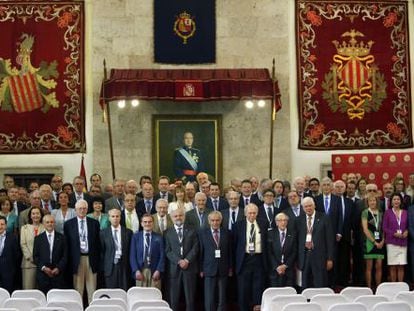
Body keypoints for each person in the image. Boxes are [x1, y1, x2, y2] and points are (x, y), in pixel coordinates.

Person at [64, 199, 100, 303]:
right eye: (80, 208)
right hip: (76, 259)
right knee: (78, 290)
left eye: (84, 208)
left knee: (92, 290)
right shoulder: (68, 224)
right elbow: (67, 245)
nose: (82, 210)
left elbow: (98, 243)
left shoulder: (94, 223)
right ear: (75, 210)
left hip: (91, 259)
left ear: (87, 209)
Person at [233, 204, 267, 311]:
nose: (252, 215)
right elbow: (234, 245)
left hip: (259, 259)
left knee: (258, 288)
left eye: (254, 213)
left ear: (257, 213)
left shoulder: (263, 224)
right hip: (244, 260)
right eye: (250, 213)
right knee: (243, 289)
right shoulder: (238, 225)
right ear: (245, 213)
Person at [164, 207, 199, 311]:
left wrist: (187, 260)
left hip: (190, 268)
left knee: (190, 298)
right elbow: (167, 251)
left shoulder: (193, 230)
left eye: (180, 215)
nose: (178, 217)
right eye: (175, 216)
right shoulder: (167, 232)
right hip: (174, 269)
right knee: (173, 298)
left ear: (184, 216)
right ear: (171, 218)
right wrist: (179, 261)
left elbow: (196, 247)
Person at [297, 197, 334, 289]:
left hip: (320, 256)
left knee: (319, 282)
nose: (308, 208)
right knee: (305, 283)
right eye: (306, 206)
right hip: (304, 255)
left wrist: (330, 258)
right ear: (303, 208)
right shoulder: (298, 220)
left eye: (310, 206)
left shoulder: (324, 217)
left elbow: (329, 239)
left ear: (314, 206)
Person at [198, 211, 232, 311]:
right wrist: (201, 269)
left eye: (217, 220)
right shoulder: (202, 234)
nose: (215, 222)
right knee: (209, 297)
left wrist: (230, 267)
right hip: (208, 269)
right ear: (209, 221)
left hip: (223, 268)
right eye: (213, 220)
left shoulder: (227, 233)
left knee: (222, 297)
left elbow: (230, 251)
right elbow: (201, 252)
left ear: (221, 221)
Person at [33, 214, 68, 294]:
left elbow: (65, 256)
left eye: (52, 222)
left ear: (54, 223)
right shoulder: (38, 239)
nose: (50, 224)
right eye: (47, 222)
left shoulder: (62, 238)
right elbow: (35, 257)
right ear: (44, 224)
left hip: (58, 275)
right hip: (43, 275)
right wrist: (44, 268)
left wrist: (58, 268)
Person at [100, 208, 133, 290]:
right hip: (110, 267)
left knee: (124, 291)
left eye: (117, 216)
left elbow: (130, 251)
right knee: (111, 292)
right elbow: (102, 252)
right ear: (109, 218)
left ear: (120, 218)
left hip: (124, 266)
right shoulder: (103, 233)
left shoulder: (128, 232)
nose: (115, 218)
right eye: (113, 216)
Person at [130, 214, 165, 289]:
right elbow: (132, 255)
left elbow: (162, 255)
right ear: (141, 223)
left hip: (154, 272)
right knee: (140, 296)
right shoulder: (136, 237)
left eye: (150, 222)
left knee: (154, 297)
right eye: (145, 222)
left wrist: (158, 270)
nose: (147, 224)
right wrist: (136, 270)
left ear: (153, 223)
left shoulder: (159, 237)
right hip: (140, 271)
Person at [382, 193, 408, 282]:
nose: (396, 201)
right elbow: (384, 228)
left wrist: (406, 232)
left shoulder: (405, 212)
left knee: (401, 265)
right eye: (394, 199)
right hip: (391, 242)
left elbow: (408, 226)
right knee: (393, 265)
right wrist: (394, 233)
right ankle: (394, 285)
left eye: (398, 199)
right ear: (391, 201)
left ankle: (400, 285)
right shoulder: (387, 212)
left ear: (401, 201)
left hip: (403, 242)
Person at [266, 212, 297, 287]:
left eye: (285, 220)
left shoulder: (293, 234)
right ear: (276, 223)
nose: (283, 222)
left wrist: (285, 265)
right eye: (280, 220)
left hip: (289, 270)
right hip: (275, 271)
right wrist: (277, 267)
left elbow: (294, 251)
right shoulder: (270, 234)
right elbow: (269, 252)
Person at [361, 195, 384, 289]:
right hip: (370, 242)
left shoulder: (381, 213)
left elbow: (384, 228)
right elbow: (365, 229)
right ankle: (369, 288)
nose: (372, 202)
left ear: (376, 202)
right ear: (368, 202)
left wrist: (383, 240)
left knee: (379, 266)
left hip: (380, 241)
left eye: (374, 200)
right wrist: (374, 242)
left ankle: (378, 288)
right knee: (369, 267)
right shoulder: (365, 212)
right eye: (370, 201)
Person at [20, 206, 45, 289]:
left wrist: (40, 260)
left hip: (43, 265)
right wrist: (31, 258)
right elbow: (23, 244)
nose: (35, 215)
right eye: (33, 213)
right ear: (30, 216)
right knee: (28, 289)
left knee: (41, 291)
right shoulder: (25, 228)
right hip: (29, 263)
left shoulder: (45, 227)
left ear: (41, 215)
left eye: (37, 213)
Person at [0, 215, 19, 293]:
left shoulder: (13, 237)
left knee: (7, 294)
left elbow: (17, 254)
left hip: (8, 273)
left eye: (2, 224)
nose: (0, 226)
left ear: (6, 225)